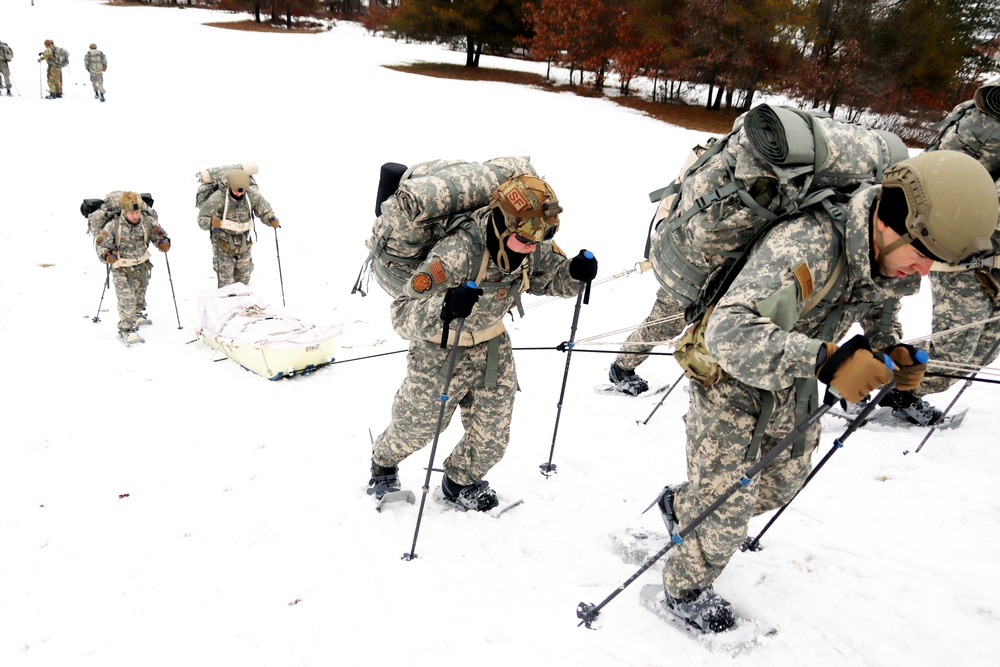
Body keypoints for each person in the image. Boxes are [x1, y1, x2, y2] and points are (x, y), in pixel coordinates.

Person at [649, 150, 997, 633]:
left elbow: (881, 307)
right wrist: (825, 360)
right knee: (726, 512)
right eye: (920, 259)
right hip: (730, 377)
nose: (920, 273)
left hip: (792, 377)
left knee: (778, 485)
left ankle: (683, 505)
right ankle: (683, 587)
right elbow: (726, 333)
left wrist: (888, 352)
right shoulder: (808, 243)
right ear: (890, 226)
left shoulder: (885, 255)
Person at [367, 174, 599, 511]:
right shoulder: (457, 253)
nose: (533, 246)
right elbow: (402, 315)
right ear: (504, 224)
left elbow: (547, 277)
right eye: (524, 239)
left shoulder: (531, 241)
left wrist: (574, 274)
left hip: (492, 347)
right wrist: (444, 306)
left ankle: (460, 481)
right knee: (417, 426)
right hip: (440, 348)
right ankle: (383, 462)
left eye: (541, 237)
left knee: (492, 437)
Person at [95, 192, 171, 343]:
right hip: (121, 268)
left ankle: (137, 314)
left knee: (139, 296)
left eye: (137, 212)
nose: (136, 216)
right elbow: (100, 245)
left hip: (141, 265)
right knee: (127, 301)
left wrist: (164, 243)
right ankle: (126, 329)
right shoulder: (113, 225)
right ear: (124, 211)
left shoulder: (147, 221)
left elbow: (160, 235)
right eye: (132, 213)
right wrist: (106, 255)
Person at [196, 169, 279, 288]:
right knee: (226, 283)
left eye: (242, 192)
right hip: (222, 243)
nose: (239, 194)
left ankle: (241, 303)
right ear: (230, 187)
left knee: (244, 279)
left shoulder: (252, 195)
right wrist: (212, 222)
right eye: (236, 191)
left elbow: (265, 211)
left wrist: (271, 219)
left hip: (244, 242)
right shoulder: (217, 198)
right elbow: (201, 220)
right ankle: (225, 304)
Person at [608, 286, 685, 395]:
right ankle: (622, 368)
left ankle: (709, 373)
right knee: (664, 326)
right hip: (688, 280)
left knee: (712, 325)